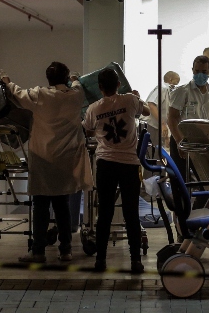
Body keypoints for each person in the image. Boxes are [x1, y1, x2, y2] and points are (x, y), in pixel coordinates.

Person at [0, 62, 92, 263]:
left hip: (43, 158)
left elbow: (16, 93)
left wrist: (5, 80)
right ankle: (65, 250)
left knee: (40, 206)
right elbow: (78, 84)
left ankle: (38, 251)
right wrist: (74, 78)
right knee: (62, 206)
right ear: (65, 78)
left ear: (48, 79)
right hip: (66, 160)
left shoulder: (39, 95)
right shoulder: (75, 95)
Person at [82, 68, 150, 273]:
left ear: (100, 88)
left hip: (105, 164)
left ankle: (100, 260)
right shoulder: (130, 100)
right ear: (119, 84)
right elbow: (146, 112)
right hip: (129, 164)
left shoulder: (94, 108)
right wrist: (138, 98)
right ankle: (135, 261)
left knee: (105, 213)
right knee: (131, 213)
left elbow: (87, 129)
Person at [167, 55, 209, 181]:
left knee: (207, 181)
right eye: (197, 71)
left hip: (202, 143)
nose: (200, 75)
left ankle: (199, 201)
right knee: (180, 181)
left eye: (204, 72)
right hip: (182, 140)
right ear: (192, 70)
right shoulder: (182, 91)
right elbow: (172, 118)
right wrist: (180, 142)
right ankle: (180, 201)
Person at [145, 70, 180, 148]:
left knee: (162, 153)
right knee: (156, 154)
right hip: (154, 126)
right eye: (177, 81)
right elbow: (151, 105)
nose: (177, 84)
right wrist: (162, 124)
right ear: (170, 80)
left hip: (159, 127)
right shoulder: (162, 88)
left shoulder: (168, 91)